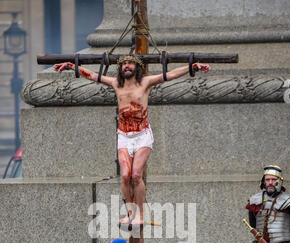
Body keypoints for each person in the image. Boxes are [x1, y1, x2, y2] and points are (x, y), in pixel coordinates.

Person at [54, 55, 210, 225]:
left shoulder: (145, 83)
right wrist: (71, 65)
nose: (127, 66)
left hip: (142, 135)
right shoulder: (115, 83)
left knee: (136, 175)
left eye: (130, 63)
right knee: (125, 175)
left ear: (137, 67)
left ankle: (141, 215)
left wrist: (192, 66)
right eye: (124, 64)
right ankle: (130, 213)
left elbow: (170, 75)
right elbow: (92, 76)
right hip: (124, 136)